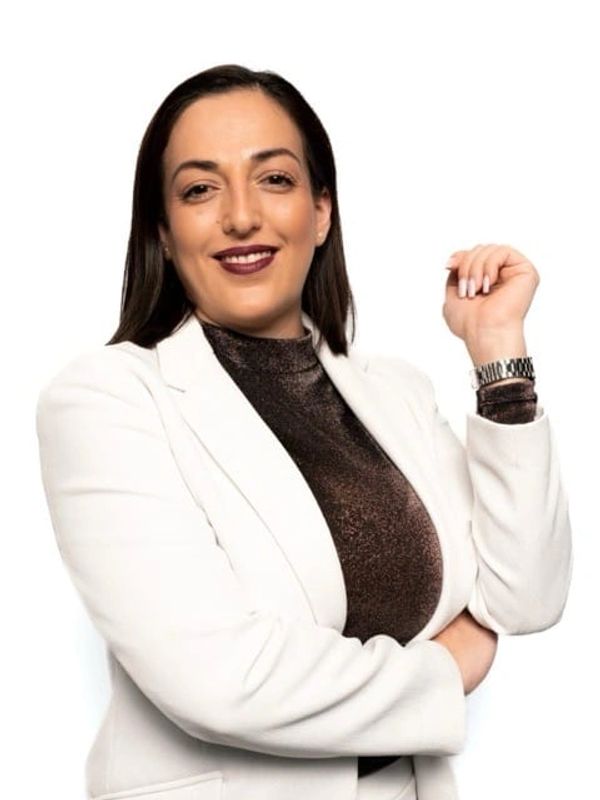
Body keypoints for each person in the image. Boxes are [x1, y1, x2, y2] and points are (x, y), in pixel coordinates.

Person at [35, 64, 573, 800]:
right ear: (163, 230)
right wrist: (448, 669)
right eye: (200, 189)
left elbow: (526, 596)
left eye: (275, 179)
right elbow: (220, 679)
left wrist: (497, 351)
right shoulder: (105, 400)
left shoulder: (396, 394)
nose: (241, 216)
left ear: (321, 212)